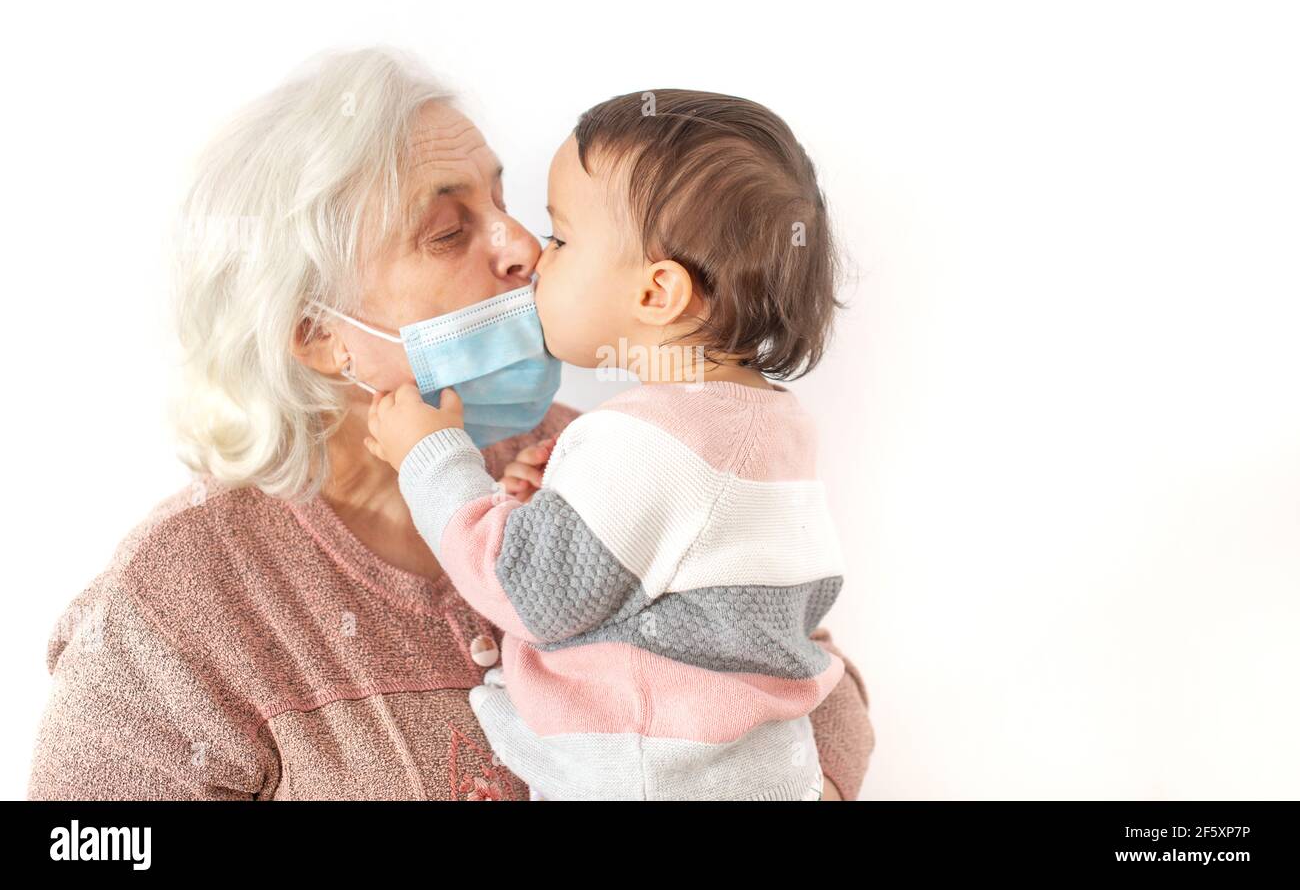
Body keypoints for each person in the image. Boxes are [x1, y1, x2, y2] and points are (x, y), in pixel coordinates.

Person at [26, 49, 875, 800]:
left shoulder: (588, 450)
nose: (522, 250)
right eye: (447, 230)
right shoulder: (182, 594)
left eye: (509, 207)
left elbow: (803, 663)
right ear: (317, 334)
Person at [365, 90, 850, 800]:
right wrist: (558, 502)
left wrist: (431, 457)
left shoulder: (642, 440)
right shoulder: (775, 426)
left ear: (657, 294)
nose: (534, 258)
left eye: (560, 240)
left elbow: (526, 591)